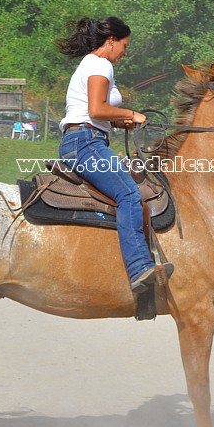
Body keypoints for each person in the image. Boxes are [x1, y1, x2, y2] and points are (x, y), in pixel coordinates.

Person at [55, 16, 172, 293]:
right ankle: (140, 268)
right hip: (86, 142)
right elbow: (96, 110)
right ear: (111, 41)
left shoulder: (91, 64)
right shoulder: (100, 64)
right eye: (124, 45)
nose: (125, 52)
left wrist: (120, 121)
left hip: (85, 137)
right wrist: (131, 113)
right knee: (129, 194)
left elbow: (95, 114)